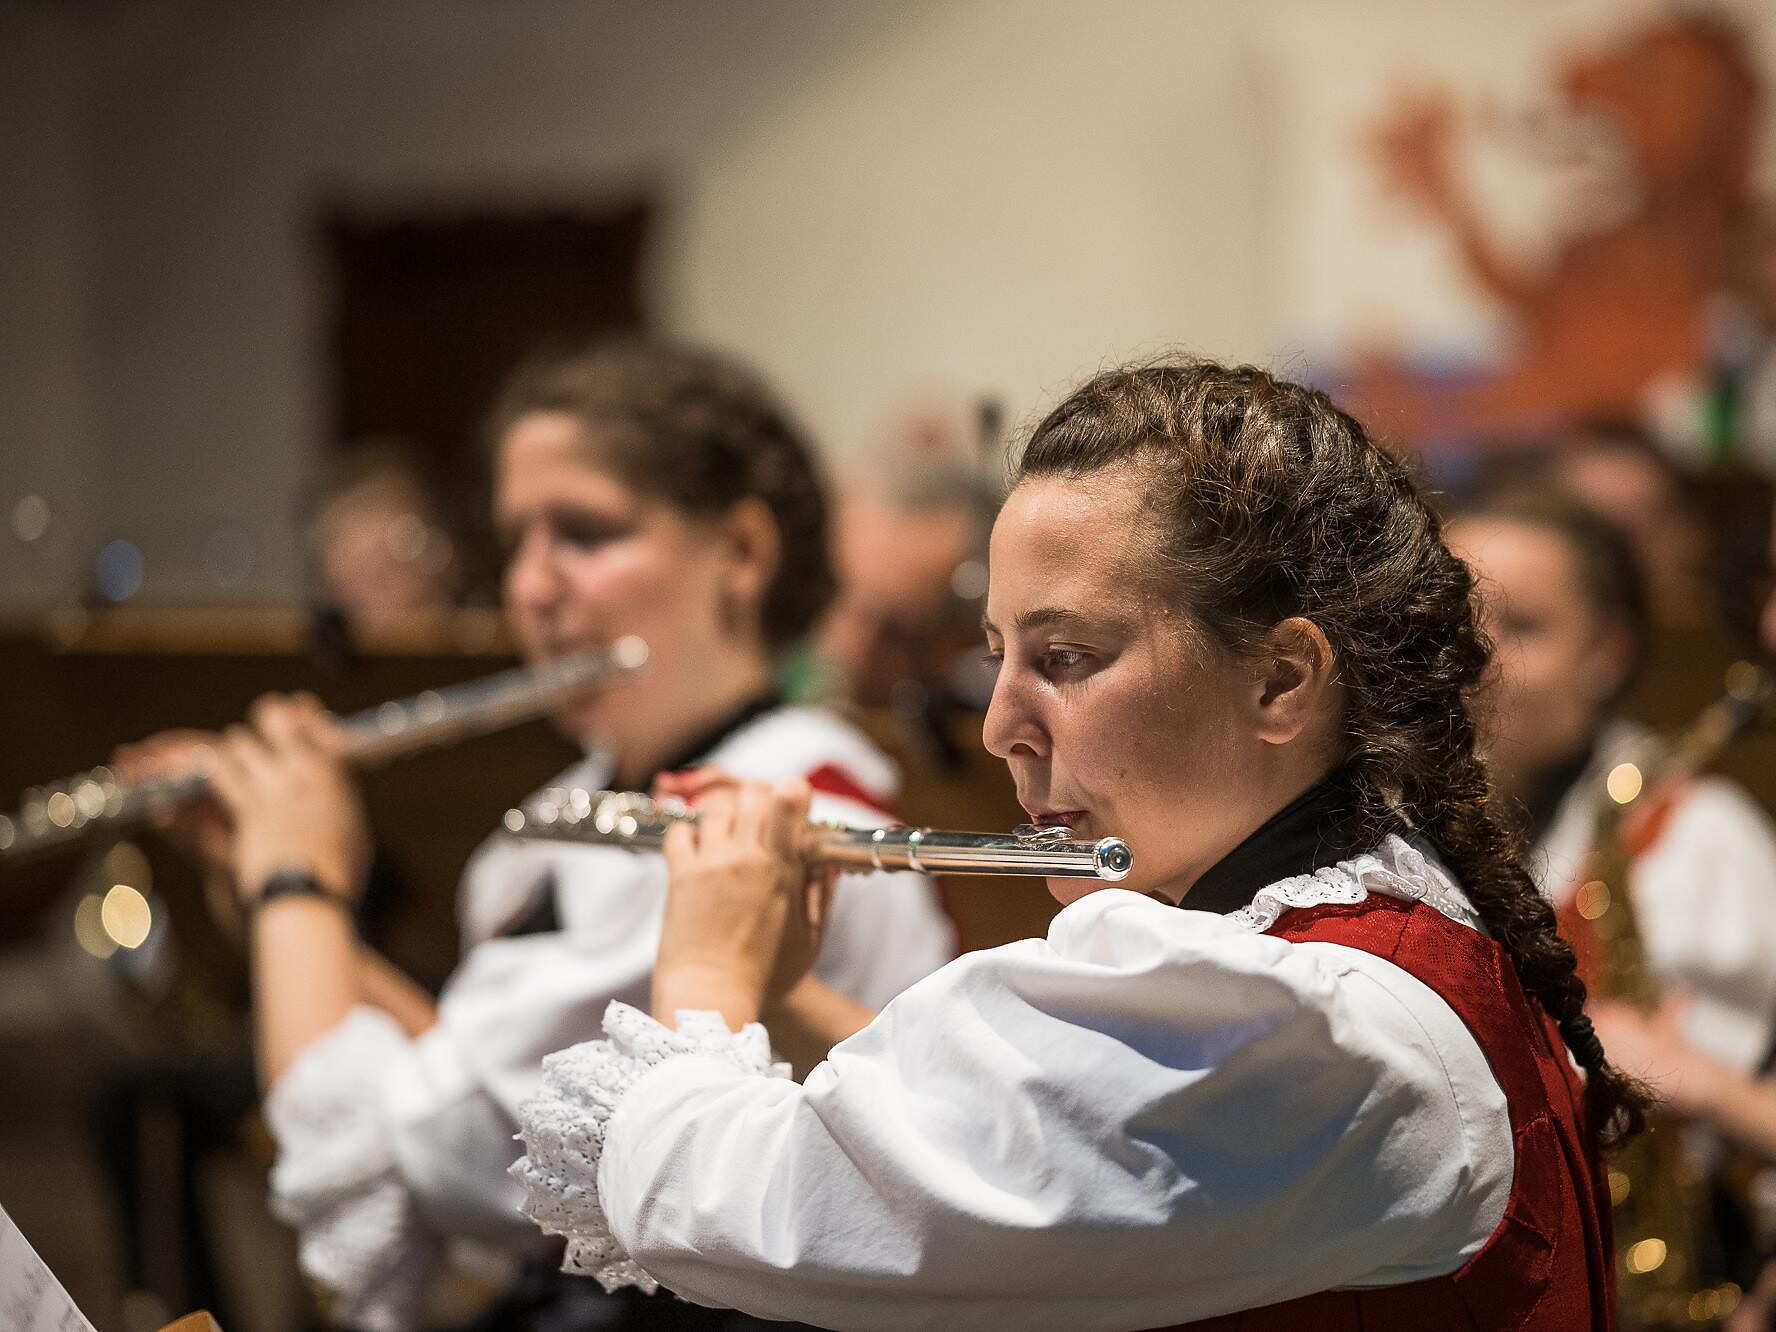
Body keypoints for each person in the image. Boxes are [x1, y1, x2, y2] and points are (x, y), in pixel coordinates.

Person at [509, 358, 1644, 1329]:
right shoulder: (1369, 938)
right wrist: (794, 995)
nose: (1002, 728)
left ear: (1281, 680)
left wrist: (704, 967)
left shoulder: (1303, 1025)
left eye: (1066, 658)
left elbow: (742, 1201)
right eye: (997, 652)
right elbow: (1062, 1144)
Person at [123, 342, 955, 1331]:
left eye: (585, 533)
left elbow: (434, 1163)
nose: (531, 586)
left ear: (739, 552)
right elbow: (477, 1077)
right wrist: (265, 874)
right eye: (518, 540)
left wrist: (293, 886)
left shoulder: (767, 811)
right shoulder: (577, 806)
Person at [1446, 489, 1776, 1073]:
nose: (1474, 654)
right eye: (1450, 620)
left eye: (1522, 624)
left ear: (1607, 649)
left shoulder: (1698, 834)